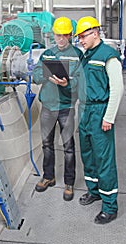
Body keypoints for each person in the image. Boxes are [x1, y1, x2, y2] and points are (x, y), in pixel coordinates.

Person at [73, 16, 124, 224]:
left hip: (100, 111)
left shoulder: (108, 56)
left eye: (83, 36)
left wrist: (109, 117)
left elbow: (117, 89)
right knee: (87, 154)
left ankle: (110, 206)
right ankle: (94, 190)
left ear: (95, 33)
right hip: (85, 111)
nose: (81, 41)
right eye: (79, 38)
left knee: (104, 159)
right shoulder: (87, 56)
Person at [33, 16, 83, 201]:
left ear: (70, 35)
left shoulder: (78, 55)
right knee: (47, 144)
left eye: (63, 36)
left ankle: (69, 182)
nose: (60, 39)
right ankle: (49, 177)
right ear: (53, 35)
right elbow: (36, 74)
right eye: (57, 35)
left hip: (66, 107)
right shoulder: (47, 53)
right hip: (48, 106)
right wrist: (47, 77)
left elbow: (81, 80)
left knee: (68, 146)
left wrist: (67, 83)